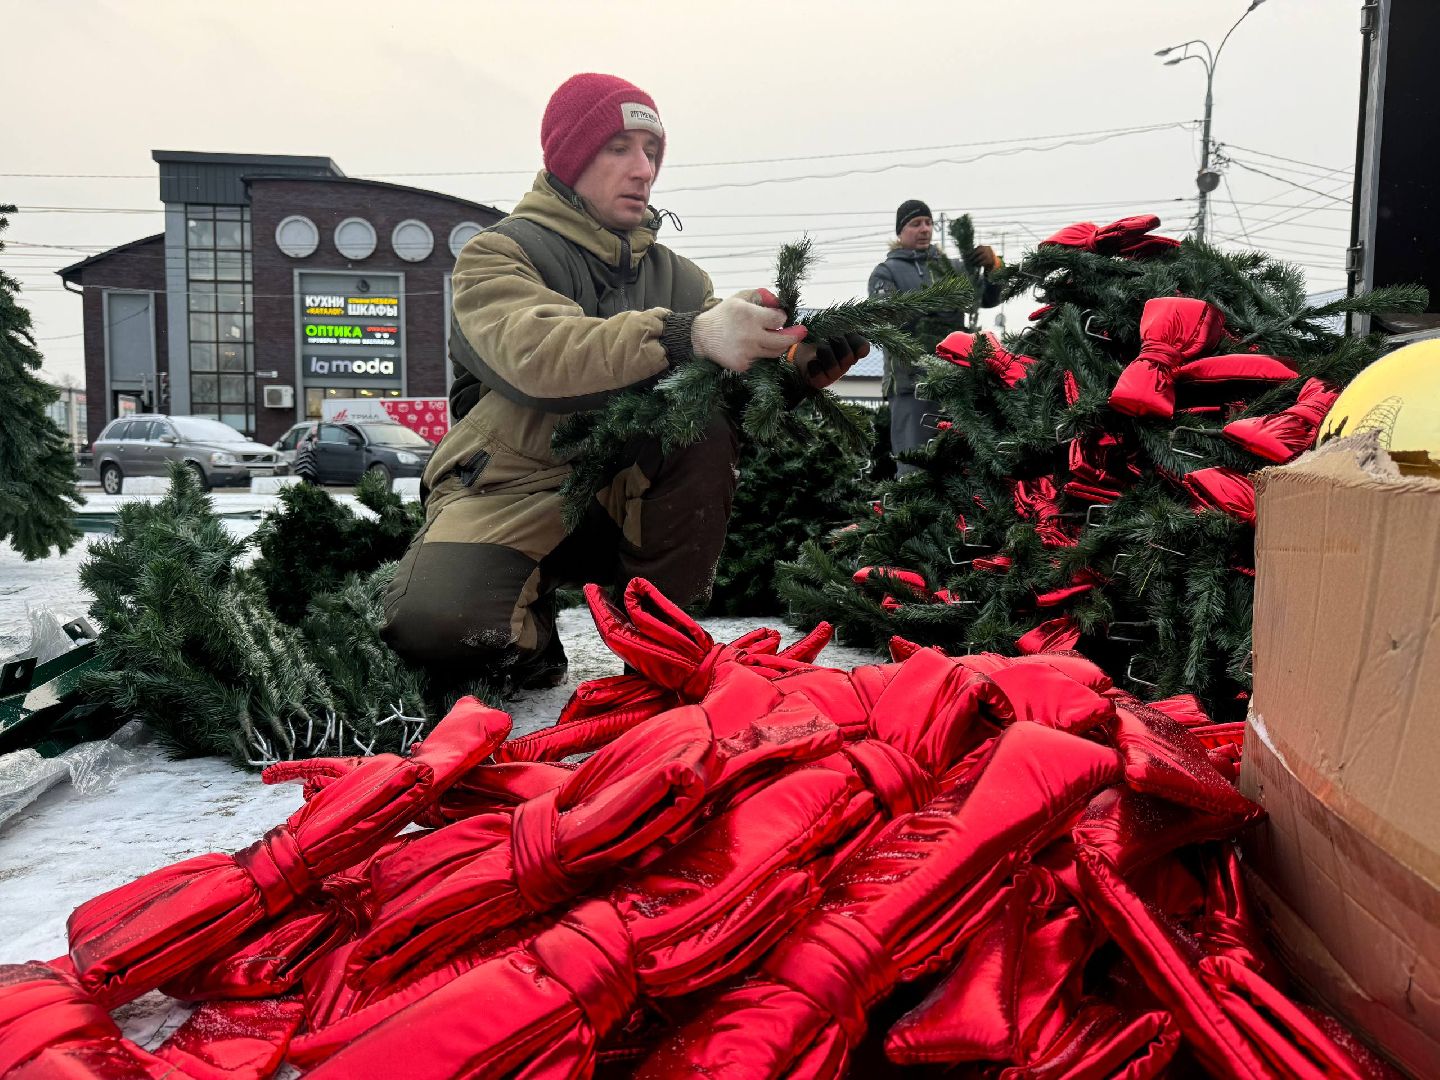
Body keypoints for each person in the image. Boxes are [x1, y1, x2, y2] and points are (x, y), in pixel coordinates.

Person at [382, 73, 867, 698]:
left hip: (633, 487)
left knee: (704, 424)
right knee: (439, 627)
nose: (643, 170)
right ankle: (525, 628)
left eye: (653, 152)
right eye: (620, 148)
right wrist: (685, 334)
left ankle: (662, 645)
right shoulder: (498, 255)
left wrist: (791, 372)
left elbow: (718, 400)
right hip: (510, 487)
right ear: (569, 157)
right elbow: (539, 355)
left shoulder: (681, 279)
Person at [868, 199, 1002, 474]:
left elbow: (988, 298)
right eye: (916, 223)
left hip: (955, 380)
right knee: (916, 464)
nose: (925, 229)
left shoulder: (953, 268)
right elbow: (886, 315)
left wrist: (993, 266)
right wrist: (935, 307)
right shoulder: (886, 272)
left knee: (962, 465)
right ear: (900, 231)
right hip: (910, 383)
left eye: (928, 223)